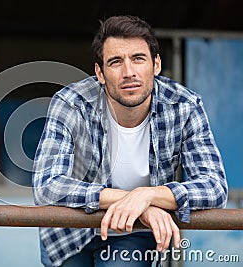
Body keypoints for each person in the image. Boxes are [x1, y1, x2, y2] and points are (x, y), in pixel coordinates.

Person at [32, 15, 228, 267]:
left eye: (138, 58)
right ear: (100, 73)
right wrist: (137, 201)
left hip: (134, 231)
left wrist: (148, 195)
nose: (129, 72)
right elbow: (47, 186)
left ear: (156, 64)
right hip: (70, 232)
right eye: (115, 62)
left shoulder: (184, 106)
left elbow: (215, 188)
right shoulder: (71, 103)